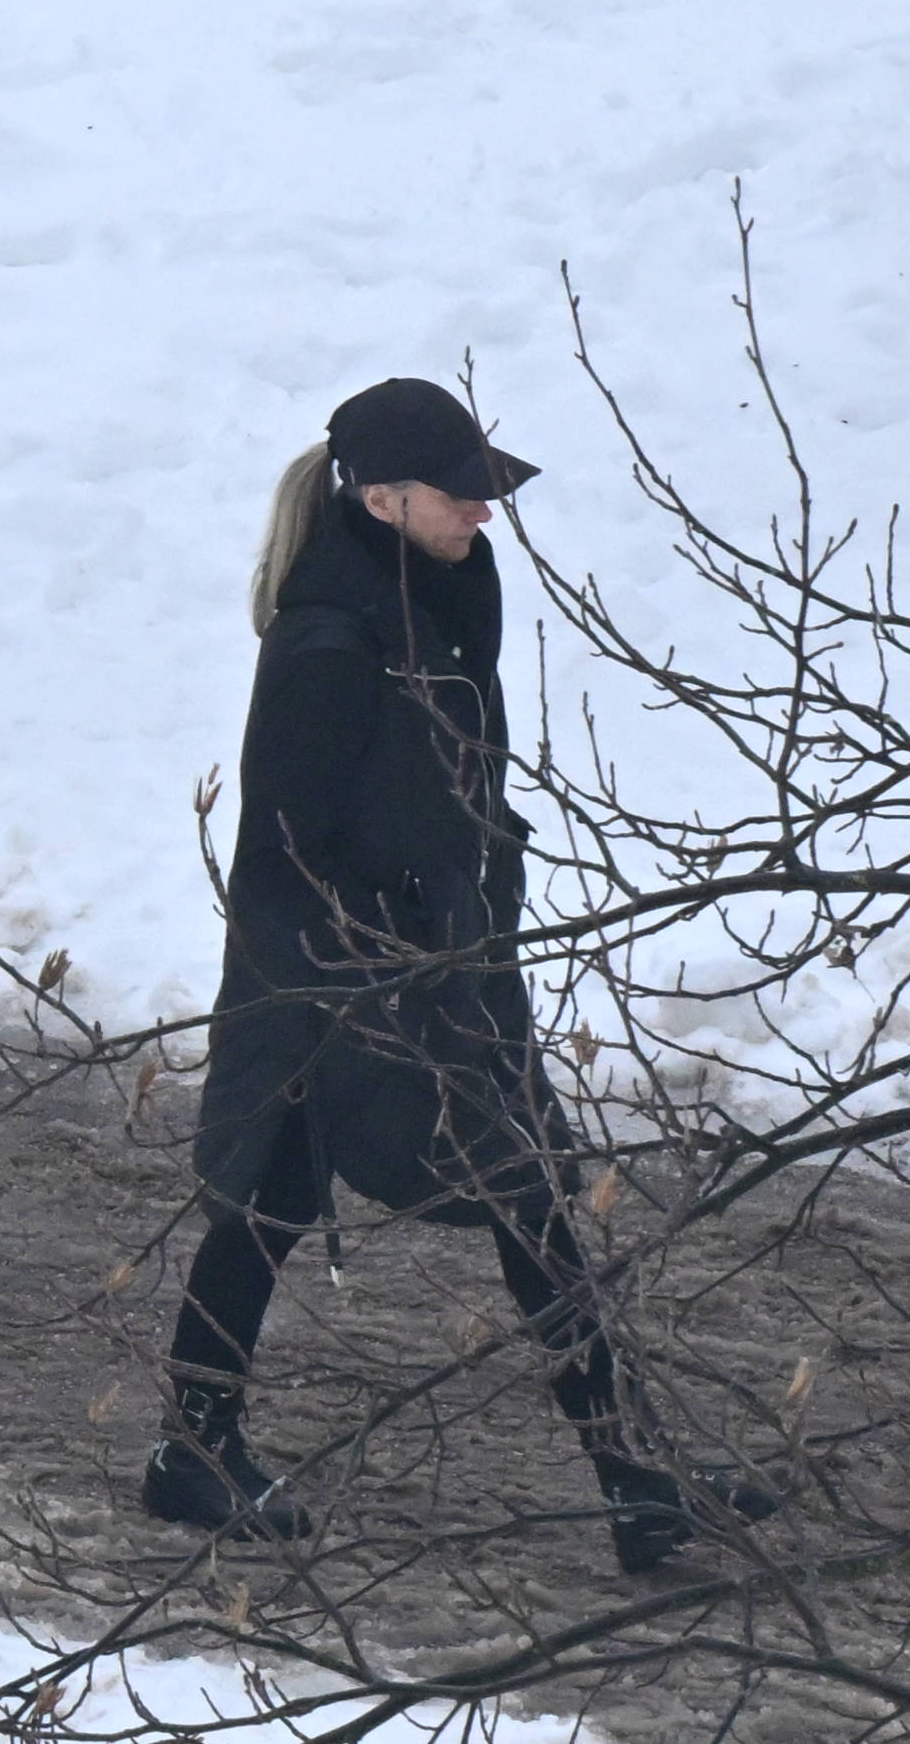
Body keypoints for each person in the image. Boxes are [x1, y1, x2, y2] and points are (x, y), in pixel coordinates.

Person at [154, 370, 754, 1578]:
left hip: (444, 966)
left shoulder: (445, 596)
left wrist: (481, 883)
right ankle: (190, 1452)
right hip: (331, 986)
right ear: (383, 499)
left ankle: (638, 1478)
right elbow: (281, 848)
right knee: (265, 1211)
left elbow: (440, 783)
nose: (486, 512)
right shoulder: (331, 640)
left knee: (532, 1199)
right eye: (463, 493)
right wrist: (379, 956)